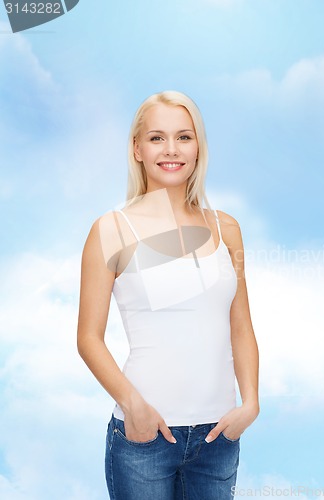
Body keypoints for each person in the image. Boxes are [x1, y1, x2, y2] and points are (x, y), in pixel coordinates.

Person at [77, 90, 259, 499]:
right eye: (157, 137)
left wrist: (250, 404)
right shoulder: (111, 229)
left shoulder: (225, 227)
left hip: (218, 437)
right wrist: (133, 406)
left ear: (198, 147)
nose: (171, 149)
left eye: (184, 136)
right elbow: (88, 337)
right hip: (144, 437)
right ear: (137, 148)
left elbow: (241, 325)